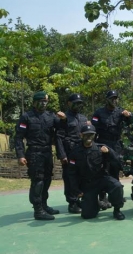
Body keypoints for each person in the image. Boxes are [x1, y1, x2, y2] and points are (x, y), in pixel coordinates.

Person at [15, 91, 62, 220]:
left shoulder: (50, 116)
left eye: (45, 101)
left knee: (47, 180)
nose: (44, 103)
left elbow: (63, 127)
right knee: (38, 181)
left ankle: (44, 205)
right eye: (41, 101)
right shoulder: (27, 117)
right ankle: (38, 210)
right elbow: (18, 137)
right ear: (34, 102)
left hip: (47, 152)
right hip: (34, 153)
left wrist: (64, 118)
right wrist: (20, 155)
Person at [67, 124, 125, 220]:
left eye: (91, 135)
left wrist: (109, 153)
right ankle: (95, 204)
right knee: (88, 215)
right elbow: (71, 174)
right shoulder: (75, 152)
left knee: (117, 186)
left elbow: (118, 162)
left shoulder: (101, 148)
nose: (89, 137)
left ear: (95, 136)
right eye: (86, 135)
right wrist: (76, 190)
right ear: (81, 135)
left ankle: (117, 210)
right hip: (88, 184)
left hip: (102, 179)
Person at [55, 93, 89, 214]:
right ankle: (72, 202)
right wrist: (62, 155)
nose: (78, 106)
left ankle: (80, 199)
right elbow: (59, 137)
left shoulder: (84, 118)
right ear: (69, 103)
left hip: (81, 152)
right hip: (69, 152)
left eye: (80, 103)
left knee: (81, 176)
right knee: (70, 178)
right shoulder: (63, 118)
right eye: (75, 103)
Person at [91, 90, 132, 180]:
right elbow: (93, 128)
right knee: (103, 167)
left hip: (116, 144)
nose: (114, 100)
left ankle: (115, 190)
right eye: (112, 98)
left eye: (115, 98)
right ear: (107, 99)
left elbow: (129, 123)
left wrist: (128, 116)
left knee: (115, 167)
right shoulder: (99, 112)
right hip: (103, 142)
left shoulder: (121, 112)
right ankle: (102, 192)